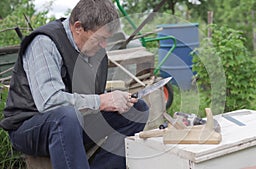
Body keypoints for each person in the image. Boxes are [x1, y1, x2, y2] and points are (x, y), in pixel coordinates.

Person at [0, 0, 149, 169]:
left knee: (137, 109)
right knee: (67, 116)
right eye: (100, 38)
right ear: (78, 27)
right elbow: (49, 102)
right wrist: (102, 101)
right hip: (29, 126)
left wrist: (116, 98)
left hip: (73, 121)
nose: (104, 46)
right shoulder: (44, 43)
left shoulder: (93, 50)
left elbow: (87, 94)